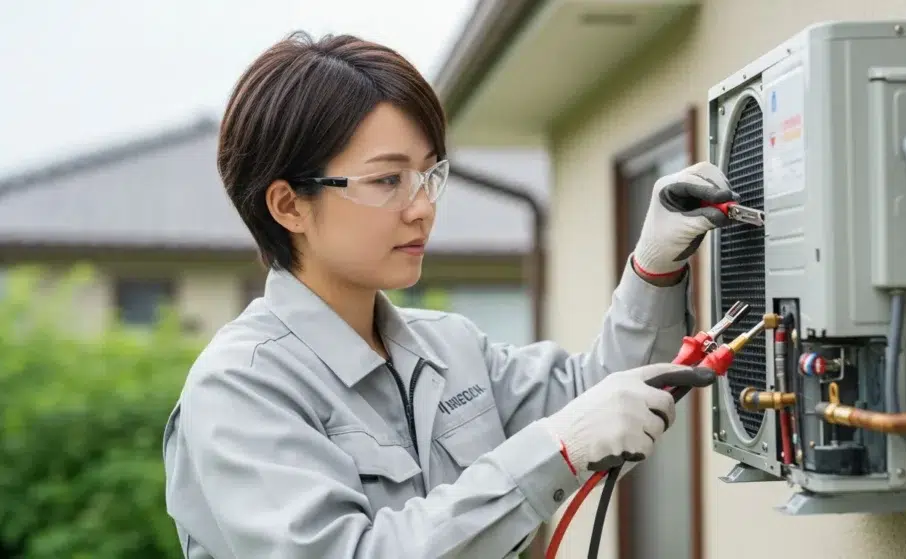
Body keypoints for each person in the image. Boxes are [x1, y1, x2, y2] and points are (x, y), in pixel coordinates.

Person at [162, 31, 738, 559]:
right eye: (388, 180)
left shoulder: (450, 346)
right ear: (289, 205)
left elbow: (603, 396)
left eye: (428, 175)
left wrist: (654, 267)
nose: (422, 207)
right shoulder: (243, 386)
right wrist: (552, 453)